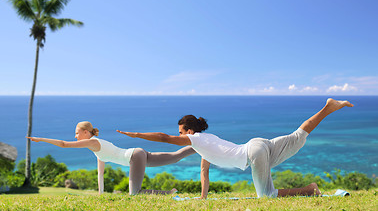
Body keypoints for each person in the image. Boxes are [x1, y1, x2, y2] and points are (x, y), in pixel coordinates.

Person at [117, 98, 354, 199]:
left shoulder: (195, 139)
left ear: (189, 130)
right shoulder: (206, 141)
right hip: (257, 145)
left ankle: (310, 189)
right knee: (298, 135)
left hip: (253, 153)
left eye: (180, 132)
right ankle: (328, 107)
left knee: (267, 196)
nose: (179, 136)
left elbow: (164, 138)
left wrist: (136, 134)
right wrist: (202, 198)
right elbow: (204, 173)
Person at [27, 121, 196, 195]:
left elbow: (64, 144)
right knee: (175, 157)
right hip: (138, 154)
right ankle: (200, 146)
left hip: (134, 157)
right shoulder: (97, 148)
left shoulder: (93, 143)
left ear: (86, 132)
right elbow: (100, 175)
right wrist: (100, 195)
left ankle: (169, 193)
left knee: (134, 194)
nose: (75, 136)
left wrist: (41, 139)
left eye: (77, 133)